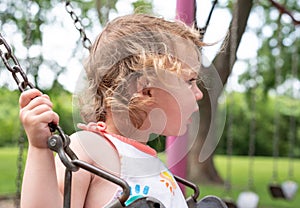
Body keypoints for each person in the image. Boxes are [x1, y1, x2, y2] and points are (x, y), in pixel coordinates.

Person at [19, 13, 204, 208]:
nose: (198, 93)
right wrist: (39, 149)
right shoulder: (91, 147)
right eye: (189, 81)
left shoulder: (149, 162)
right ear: (146, 90)